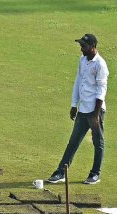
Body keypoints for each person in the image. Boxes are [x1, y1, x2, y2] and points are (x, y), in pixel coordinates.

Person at [47, 34, 109, 185]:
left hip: (95, 111)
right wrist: (74, 104)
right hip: (83, 110)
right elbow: (78, 82)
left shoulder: (100, 64)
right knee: (73, 141)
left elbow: (102, 89)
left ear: (93, 46)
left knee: (98, 142)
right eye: (81, 46)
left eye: (84, 46)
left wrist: (95, 115)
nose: (81, 49)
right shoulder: (83, 60)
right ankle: (61, 172)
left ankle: (95, 174)